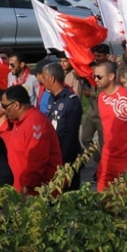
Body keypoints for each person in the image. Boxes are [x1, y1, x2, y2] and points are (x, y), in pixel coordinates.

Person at [0, 86, 63, 195]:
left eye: (5, 106)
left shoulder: (36, 123)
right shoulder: (18, 123)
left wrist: (26, 188)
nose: (4, 111)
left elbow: (37, 162)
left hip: (37, 194)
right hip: (20, 191)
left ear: (16, 105)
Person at [93, 60, 127, 191]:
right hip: (108, 155)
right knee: (102, 194)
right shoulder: (101, 97)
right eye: (94, 76)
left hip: (126, 157)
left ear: (111, 77)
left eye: (99, 76)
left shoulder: (125, 98)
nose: (95, 79)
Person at [39, 62, 83, 191]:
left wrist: (62, 161)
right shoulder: (52, 98)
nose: (42, 81)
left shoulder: (71, 101)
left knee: (68, 193)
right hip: (54, 154)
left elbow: (70, 135)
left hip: (67, 158)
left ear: (52, 79)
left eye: (44, 77)